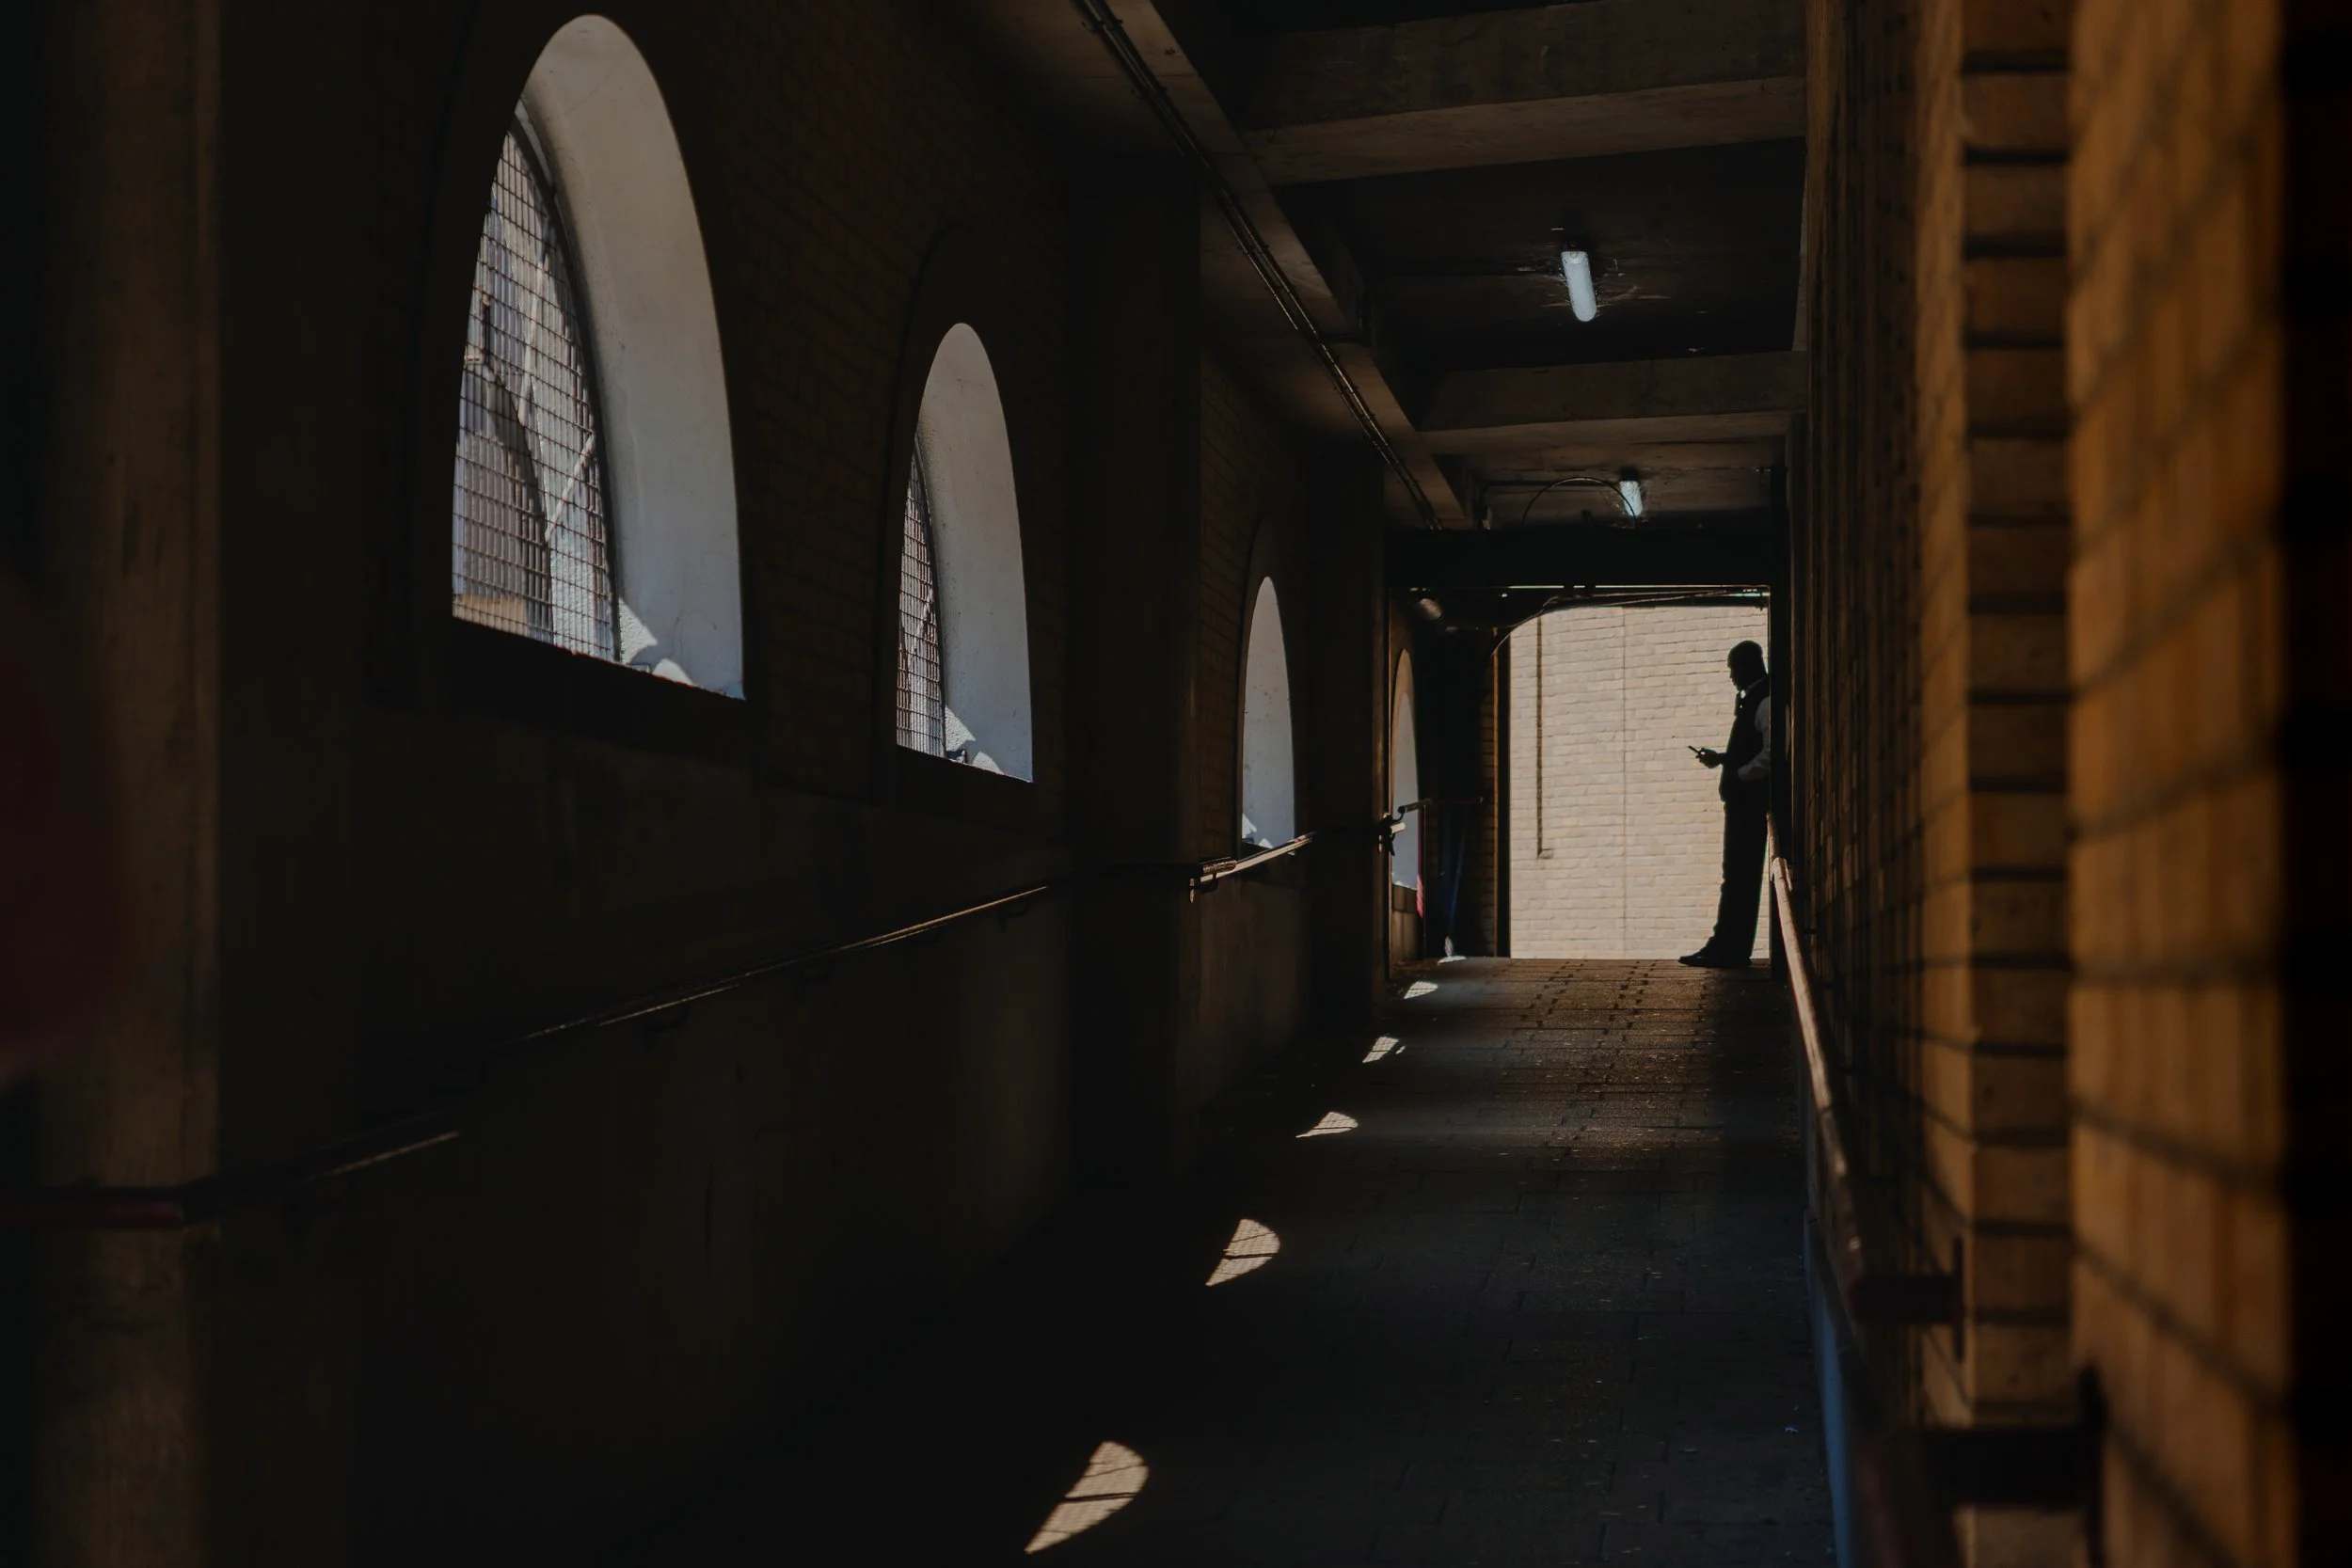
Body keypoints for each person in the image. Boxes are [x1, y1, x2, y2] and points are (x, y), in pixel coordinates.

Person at [1680, 640, 1771, 968]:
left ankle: (1729, 948)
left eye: (1734, 669)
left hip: (1749, 804)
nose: (1732, 677)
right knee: (1735, 874)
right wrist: (1723, 760)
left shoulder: (1765, 701)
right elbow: (1751, 750)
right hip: (1742, 803)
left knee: (1739, 876)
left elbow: (1773, 753)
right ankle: (1725, 943)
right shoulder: (1755, 699)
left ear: (1749, 665)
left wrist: (1740, 775)